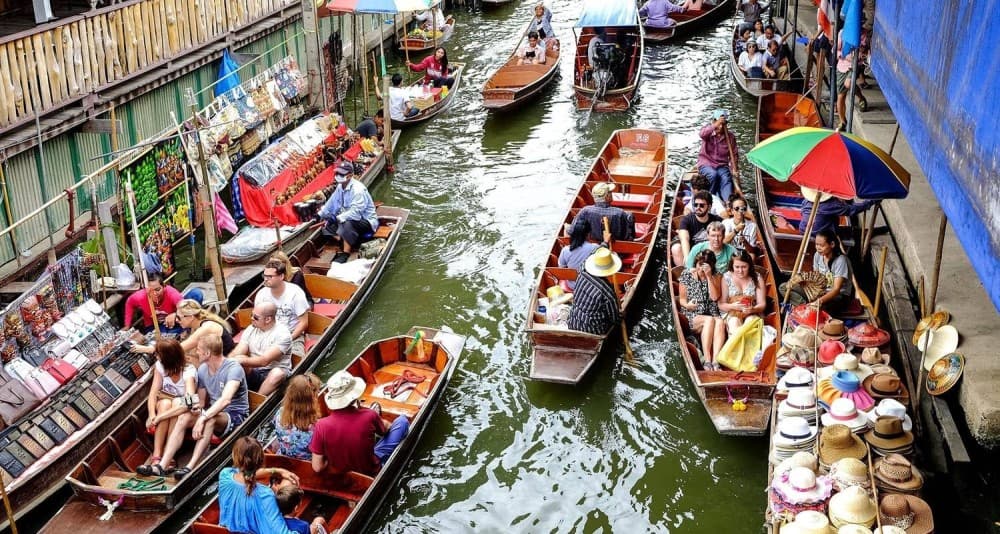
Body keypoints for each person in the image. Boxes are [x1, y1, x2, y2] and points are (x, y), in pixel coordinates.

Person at [144, 335, 249, 481]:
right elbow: (199, 401)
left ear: (207, 353)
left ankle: (190, 466)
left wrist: (203, 418)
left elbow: (225, 400)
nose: (195, 353)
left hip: (235, 415)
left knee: (210, 419)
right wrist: (196, 409)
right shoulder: (203, 370)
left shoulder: (233, 368)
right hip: (212, 411)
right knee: (184, 417)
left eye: (198, 350)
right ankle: (161, 465)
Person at [310, 371, 410, 477]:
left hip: (342, 477)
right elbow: (385, 431)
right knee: (402, 421)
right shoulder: (369, 415)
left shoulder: (321, 425)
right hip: (371, 470)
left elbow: (317, 467)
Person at [218, 436, 325, 534]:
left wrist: (276, 470)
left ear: (235, 457)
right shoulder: (265, 495)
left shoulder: (225, 475)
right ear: (260, 461)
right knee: (318, 521)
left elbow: (246, 474)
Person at [136, 339, 196, 476]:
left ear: (167, 357)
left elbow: (189, 401)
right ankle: (157, 455)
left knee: (175, 403)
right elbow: (152, 393)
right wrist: (152, 415)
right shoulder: (160, 366)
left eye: (158, 354)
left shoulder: (188, 371)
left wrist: (159, 418)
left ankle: (169, 455)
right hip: (164, 404)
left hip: (180, 408)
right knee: (165, 404)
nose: (156, 356)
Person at [132, 299, 235, 356]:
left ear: (190, 317)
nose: (176, 320)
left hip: (227, 360)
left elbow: (179, 348)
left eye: (178, 317)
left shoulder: (206, 328)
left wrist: (149, 349)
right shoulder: (196, 326)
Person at [230, 302, 293, 395]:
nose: (251, 318)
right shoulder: (251, 329)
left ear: (268, 319)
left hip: (274, 371)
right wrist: (226, 362)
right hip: (255, 369)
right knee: (236, 364)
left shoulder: (283, 334)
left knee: (276, 374)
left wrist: (242, 360)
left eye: (255, 317)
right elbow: (239, 350)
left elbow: (264, 361)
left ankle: (258, 402)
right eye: (251, 315)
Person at [316, 161, 379, 255]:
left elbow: (355, 213)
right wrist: (320, 214)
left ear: (350, 175)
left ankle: (346, 252)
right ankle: (342, 238)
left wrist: (337, 218)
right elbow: (331, 202)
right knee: (325, 222)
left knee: (347, 222)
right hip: (346, 217)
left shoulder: (358, 190)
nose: (338, 175)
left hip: (365, 220)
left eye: (341, 174)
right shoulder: (340, 187)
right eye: (337, 173)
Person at [678, 249, 726, 369]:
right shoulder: (686, 274)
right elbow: (682, 300)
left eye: (705, 266)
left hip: (712, 312)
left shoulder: (717, 275)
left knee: (719, 322)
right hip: (693, 314)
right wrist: (688, 305)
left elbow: (715, 297)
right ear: (696, 263)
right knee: (709, 320)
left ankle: (716, 361)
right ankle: (707, 361)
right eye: (700, 265)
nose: (701, 270)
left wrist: (709, 277)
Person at [255, 259, 310, 357]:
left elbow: (303, 323)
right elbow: (257, 320)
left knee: (296, 358)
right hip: (268, 334)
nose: (266, 279)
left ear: (281, 276)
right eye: (264, 276)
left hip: (292, 335)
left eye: (270, 276)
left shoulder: (295, 293)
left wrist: (288, 339)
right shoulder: (261, 294)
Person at [566, 247, 622, 335]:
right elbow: (614, 319)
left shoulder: (582, 272)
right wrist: (621, 315)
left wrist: (603, 245)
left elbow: (590, 255)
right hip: (593, 330)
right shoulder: (607, 291)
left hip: (573, 322)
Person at [272, 375, 322, 461]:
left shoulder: (279, 413)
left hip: (285, 460)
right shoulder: (317, 428)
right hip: (308, 465)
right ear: (311, 399)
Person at [718, 249, 766, 335]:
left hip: (752, 312)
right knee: (734, 323)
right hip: (732, 312)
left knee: (750, 323)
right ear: (732, 266)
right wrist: (733, 306)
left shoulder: (757, 277)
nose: (740, 271)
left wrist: (753, 309)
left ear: (749, 266)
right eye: (737, 267)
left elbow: (762, 304)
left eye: (744, 267)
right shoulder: (726, 277)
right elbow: (721, 304)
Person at [809, 229, 856, 314]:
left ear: (832, 244)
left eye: (821, 245)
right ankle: (807, 306)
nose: (818, 248)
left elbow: (836, 289)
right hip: (822, 291)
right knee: (785, 288)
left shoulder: (841, 260)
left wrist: (819, 301)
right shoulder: (817, 255)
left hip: (839, 296)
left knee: (819, 311)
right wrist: (811, 290)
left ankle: (809, 307)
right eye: (816, 244)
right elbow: (816, 278)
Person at [671, 190, 723, 266]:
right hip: (692, 251)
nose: (698, 208)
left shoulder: (717, 220)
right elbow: (684, 238)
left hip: (710, 252)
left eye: (701, 205)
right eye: (695, 205)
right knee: (676, 248)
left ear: (709, 207)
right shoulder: (687, 220)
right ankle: (685, 273)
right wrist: (687, 257)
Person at [697, 109, 739, 203]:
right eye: (718, 123)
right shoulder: (708, 132)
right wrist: (716, 124)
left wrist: (734, 169)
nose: (720, 126)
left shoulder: (730, 137)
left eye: (722, 124)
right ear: (714, 122)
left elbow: (734, 155)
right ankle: (708, 200)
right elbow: (701, 134)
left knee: (726, 179)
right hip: (706, 163)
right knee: (713, 175)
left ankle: (728, 202)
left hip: (721, 165)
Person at [798, 186, 876, 236]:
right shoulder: (830, 205)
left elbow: (802, 212)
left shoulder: (806, 201)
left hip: (803, 230)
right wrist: (870, 202)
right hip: (820, 233)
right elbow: (851, 210)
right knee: (851, 232)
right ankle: (877, 231)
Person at [571, 182, 635, 242]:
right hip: (617, 248)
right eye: (610, 192)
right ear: (607, 196)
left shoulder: (585, 211)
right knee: (630, 215)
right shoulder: (619, 213)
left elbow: (572, 230)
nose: (612, 193)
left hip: (592, 246)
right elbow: (627, 237)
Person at [558, 219, 602, 287]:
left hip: (573, 285)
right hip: (592, 285)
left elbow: (562, 269)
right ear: (588, 234)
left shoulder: (565, 250)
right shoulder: (596, 248)